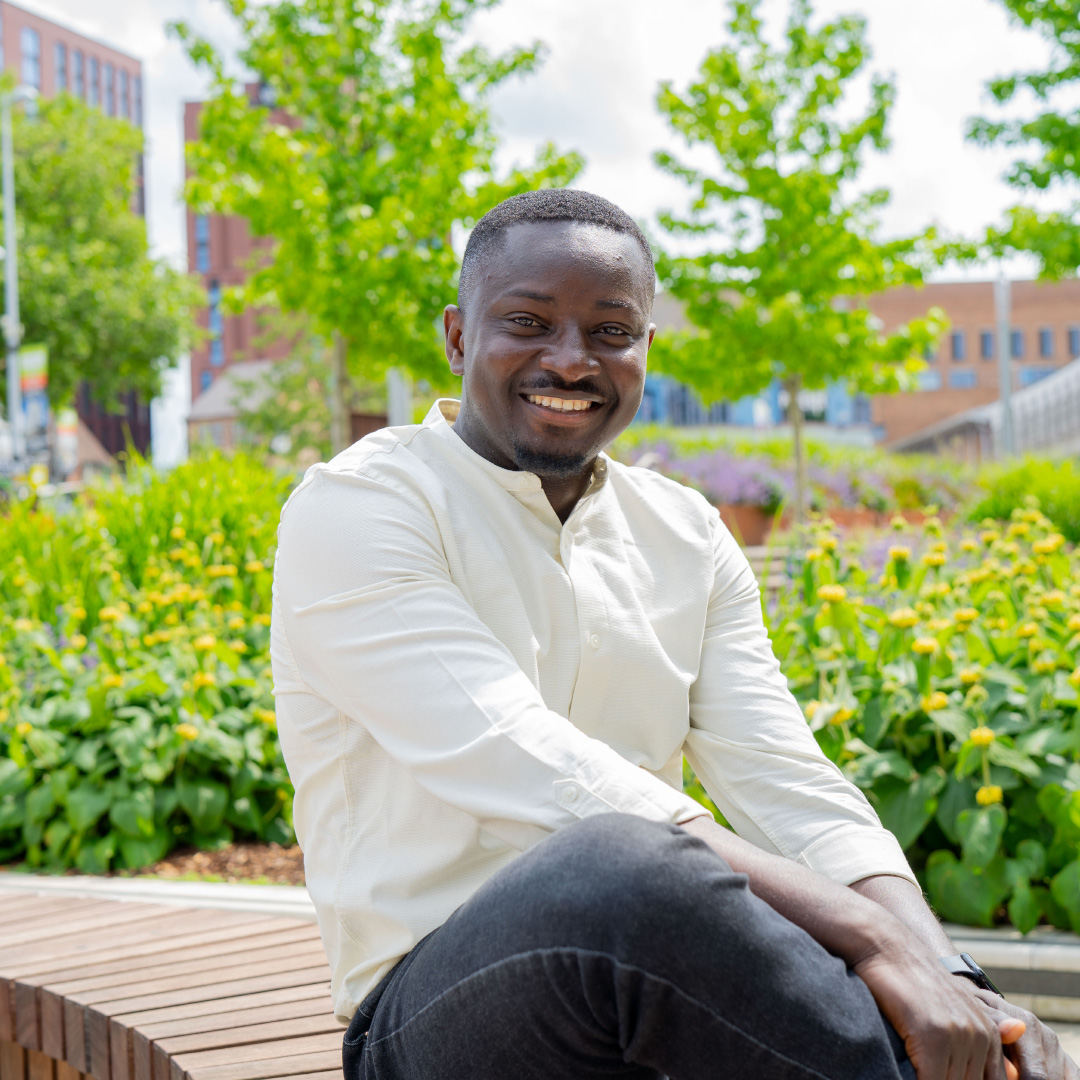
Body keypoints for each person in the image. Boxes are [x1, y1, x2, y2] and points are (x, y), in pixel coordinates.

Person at [271, 189, 1076, 1080]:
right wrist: (867, 932)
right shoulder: (361, 506)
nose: (571, 361)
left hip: (652, 993)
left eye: (611, 332)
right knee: (621, 867)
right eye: (529, 322)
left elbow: (788, 781)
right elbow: (519, 757)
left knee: (665, 879)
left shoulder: (685, 531)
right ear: (459, 337)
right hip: (430, 1021)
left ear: (646, 349)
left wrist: (955, 976)